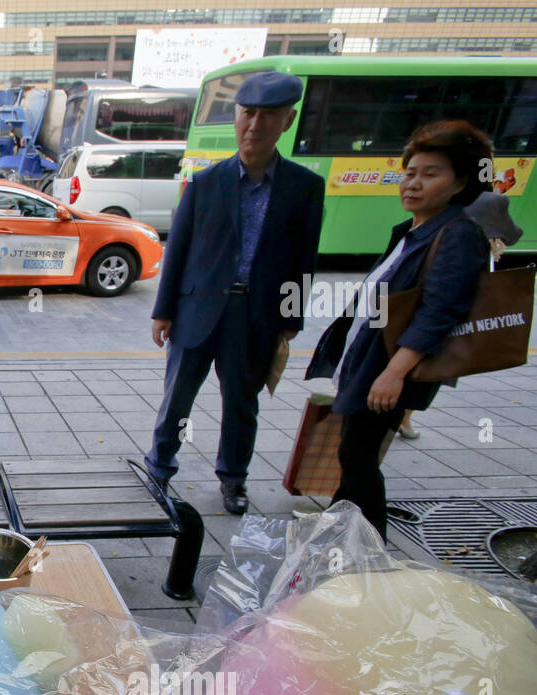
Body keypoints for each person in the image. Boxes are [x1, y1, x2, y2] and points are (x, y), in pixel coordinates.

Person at [144, 71, 324, 515]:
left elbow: (305, 259)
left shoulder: (305, 188)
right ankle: (160, 467)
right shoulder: (205, 183)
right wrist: (163, 310)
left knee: (242, 406)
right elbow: (179, 249)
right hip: (196, 311)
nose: (255, 125)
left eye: (269, 116)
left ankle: (233, 479)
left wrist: (291, 319)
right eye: (247, 114)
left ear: (288, 120)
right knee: (177, 399)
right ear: (237, 118)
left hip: (256, 316)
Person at [306, 120, 494, 540]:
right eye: (410, 172)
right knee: (355, 453)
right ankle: (341, 531)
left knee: (358, 456)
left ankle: (368, 545)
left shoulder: (458, 233)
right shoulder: (415, 229)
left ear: (460, 181)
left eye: (431, 174)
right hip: (371, 360)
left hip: (389, 367)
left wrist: (394, 372)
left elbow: (440, 311)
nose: (413, 183)